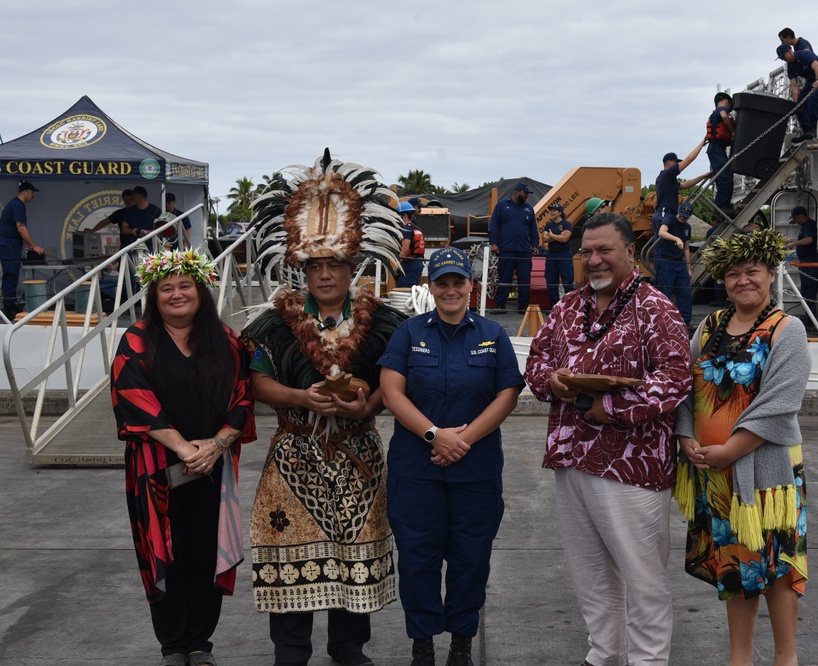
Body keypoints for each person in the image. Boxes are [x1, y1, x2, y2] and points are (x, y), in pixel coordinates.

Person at [239, 153, 407, 666]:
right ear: (303, 269)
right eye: (316, 266)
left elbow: (394, 380)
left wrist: (368, 406)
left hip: (358, 450)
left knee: (355, 548)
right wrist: (300, 398)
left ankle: (348, 647)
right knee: (290, 546)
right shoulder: (272, 324)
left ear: (352, 269)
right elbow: (258, 380)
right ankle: (290, 650)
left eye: (335, 265)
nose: (326, 274)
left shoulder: (384, 323)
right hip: (295, 452)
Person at [524, 212, 692, 666]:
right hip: (572, 458)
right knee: (590, 574)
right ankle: (604, 655)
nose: (594, 260)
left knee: (643, 577)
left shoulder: (656, 308)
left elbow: (677, 378)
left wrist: (612, 408)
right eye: (587, 252)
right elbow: (536, 362)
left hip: (631, 465)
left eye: (604, 250)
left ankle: (647, 661)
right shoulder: (567, 306)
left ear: (630, 253)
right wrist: (554, 384)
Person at [110, 249, 257, 666]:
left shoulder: (227, 342)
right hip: (155, 468)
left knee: (205, 552)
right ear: (154, 297)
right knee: (164, 551)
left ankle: (200, 644)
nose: (177, 294)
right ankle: (173, 645)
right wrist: (183, 448)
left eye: (185, 286)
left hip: (212, 465)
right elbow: (133, 396)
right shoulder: (137, 339)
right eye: (166, 288)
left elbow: (244, 398)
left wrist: (215, 445)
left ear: (201, 291)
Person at [378, 248, 524, 666]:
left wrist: (461, 441)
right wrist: (433, 435)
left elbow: (508, 394)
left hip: (474, 470)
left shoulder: (493, 334)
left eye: (458, 281)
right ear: (429, 286)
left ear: (470, 284)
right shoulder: (408, 332)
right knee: (418, 558)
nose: (450, 290)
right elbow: (391, 392)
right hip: (417, 470)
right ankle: (422, 644)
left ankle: (461, 642)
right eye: (441, 282)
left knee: (470, 558)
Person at [674, 229, 810, 666]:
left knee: (777, 568)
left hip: (767, 474)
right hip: (714, 474)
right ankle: (740, 659)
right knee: (735, 565)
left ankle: (785, 658)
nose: (742, 281)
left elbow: (780, 403)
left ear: (771, 274)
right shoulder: (710, 326)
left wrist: (731, 450)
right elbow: (684, 389)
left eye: (752, 271)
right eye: (733, 274)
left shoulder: (787, 330)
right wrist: (685, 436)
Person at [487, 182, 540, 314]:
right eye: (525, 193)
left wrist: (535, 244)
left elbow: (533, 228)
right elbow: (494, 225)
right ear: (517, 191)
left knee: (524, 278)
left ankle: (523, 305)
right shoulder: (501, 206)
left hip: (524, 249)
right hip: (506, 248)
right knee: (505, 277)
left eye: (528, 194)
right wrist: (494, 243)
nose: (527, 196)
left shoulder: (529, 209)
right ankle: (500, 304)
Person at [0, 181, 43, 320]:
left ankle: (10, 304)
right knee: (10, 274)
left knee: (11, 274)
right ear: (25, 191)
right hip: (9, 243)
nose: (34, 195)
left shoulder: (16, 204)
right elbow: (21, 228)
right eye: (32, 192)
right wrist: (33, 246)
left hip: (11, 243)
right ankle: (9, 308)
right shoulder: (17, 205)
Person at [654, 201, 696, 329]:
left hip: (680, 263)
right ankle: (662, 323)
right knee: (665, 293)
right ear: (678, 210)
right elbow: (662, 232)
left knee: (685, 293)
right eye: (682, 215)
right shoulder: (670, 219)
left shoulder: (687, 227)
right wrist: (676, 239)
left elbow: (687, 248)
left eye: (685, 216)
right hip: (666, 261)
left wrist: (689, 268)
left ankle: (685, 324)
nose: (683, 218)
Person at [777, 44, 818, 141]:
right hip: (810, 80)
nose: (783, 59)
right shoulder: (790, 67)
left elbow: (817, 67)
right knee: (800, 104)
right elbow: (794, 86)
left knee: (814, 97)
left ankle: (813, 127)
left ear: (790, 51)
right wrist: (795, 104)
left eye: (783, 56)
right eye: (781, 58)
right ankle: (806, 130)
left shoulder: (805, 54)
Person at [654, 142, 709, 219]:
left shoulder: (666, 178)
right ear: (668, 162)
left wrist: (703, 176)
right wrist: (702, 144)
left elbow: (685, 185)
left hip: (665, 214)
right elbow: (690, 159)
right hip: (665, 214)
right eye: (675, 162)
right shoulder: (667, 174)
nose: (677, 164)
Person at [785, 205, 818, 321]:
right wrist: (793, 221)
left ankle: (811, 318)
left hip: (810, 260)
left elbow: (809, 239)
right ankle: (810, 315)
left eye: (795, 218)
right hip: (805, 260)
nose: (794, 221)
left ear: (801, 216)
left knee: (809, 289)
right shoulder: (805, 225)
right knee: (806, 290)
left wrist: (793, 244)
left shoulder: (809, 225)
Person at [541, 203, 575, 308]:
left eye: (554, 210)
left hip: (564, 253)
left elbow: (565, 239)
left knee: (567, 280)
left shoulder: (566, 224)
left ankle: (570, 306)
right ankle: (554, 306)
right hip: (551, 254)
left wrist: (551, 235)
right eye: (551, 210)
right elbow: (544, 238)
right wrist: (558, 236)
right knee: (551, 281)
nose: (551, 212)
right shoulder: (548, 225)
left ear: (560, 212)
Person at [706, 92, 736, 212]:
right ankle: (720, 207)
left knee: (724, 176)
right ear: (726, 102)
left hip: (717, 149)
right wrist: (732, 131)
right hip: (716, 148)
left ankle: (725, 205)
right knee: (725, 176)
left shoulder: (713, 115)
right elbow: (724, 116)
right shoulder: (721, 110)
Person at [396, 201, 426, 288]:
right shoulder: (415, 228)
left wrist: (395, 267)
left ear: (404, 215)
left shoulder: (406, 230)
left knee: (405, 291)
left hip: (410, 265)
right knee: (404, 287)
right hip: (417, 264)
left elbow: (404, 250)